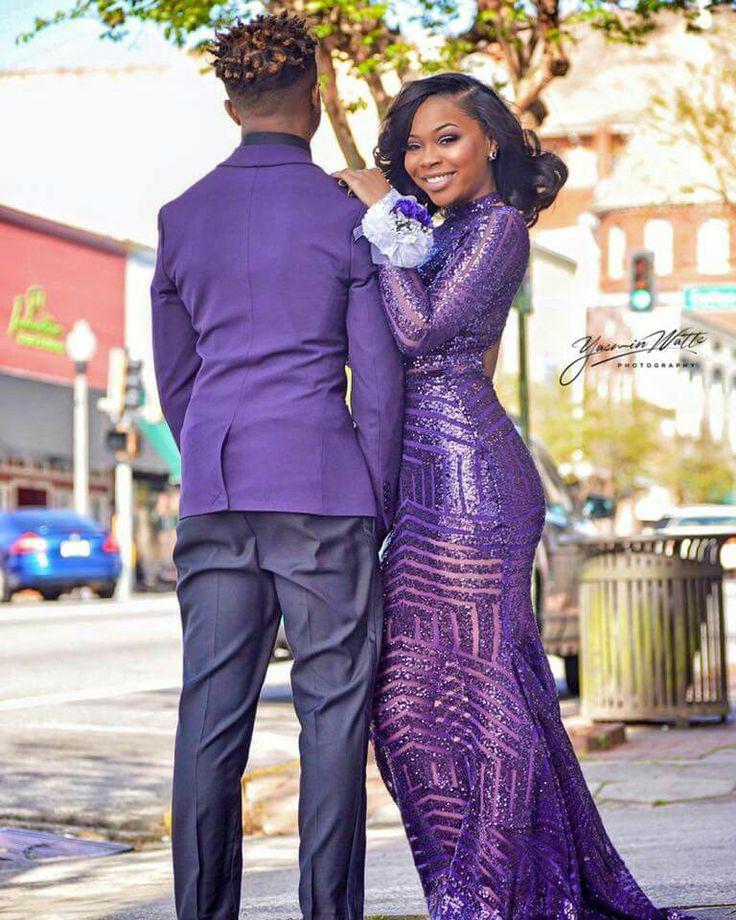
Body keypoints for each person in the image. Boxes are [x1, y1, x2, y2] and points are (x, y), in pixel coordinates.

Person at [334, 72, 696, 919]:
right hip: (421, 493)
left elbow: (421, 334)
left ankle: (487, 895)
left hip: (473, 488)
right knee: (410, 705)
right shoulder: (441, 229)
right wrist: (399, 221)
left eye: (446, 138)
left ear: (490, 140)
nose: (427, 158)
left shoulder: (496, 229)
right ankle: (523, 883)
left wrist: (384, 213)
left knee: (481, 695)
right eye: (413, 145)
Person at [150, 12, 404, 920]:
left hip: (217, 487)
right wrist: (377, 500)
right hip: (325, 485)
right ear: (317, 95)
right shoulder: (347, 215)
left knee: (208, 723)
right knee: (332, 719)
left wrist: (216, 458)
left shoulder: (180, 218)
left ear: (231, 106)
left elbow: (176, 378)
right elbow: (375, 381)